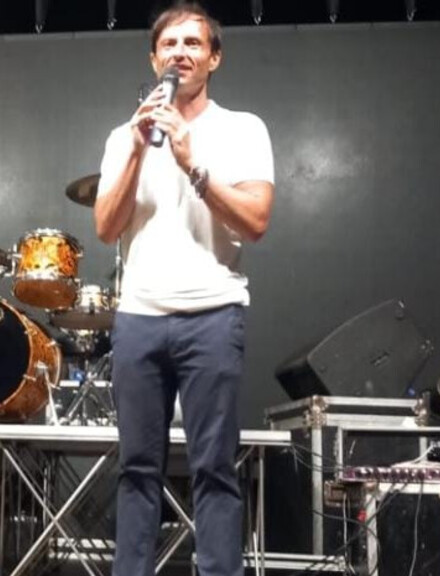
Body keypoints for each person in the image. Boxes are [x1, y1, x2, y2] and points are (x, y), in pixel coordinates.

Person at [92, 3, 275, 576]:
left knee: (214, 468)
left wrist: (194, 163)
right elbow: (105, 227)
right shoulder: (123, 136)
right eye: (169, 44)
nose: (180, 53)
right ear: (154, 59)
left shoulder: (243, 128)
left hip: (213, 314)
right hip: (138, 317)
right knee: (136, 469)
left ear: (214, 58)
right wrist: (135, 147)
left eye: (193, 43)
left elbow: (256, 221)